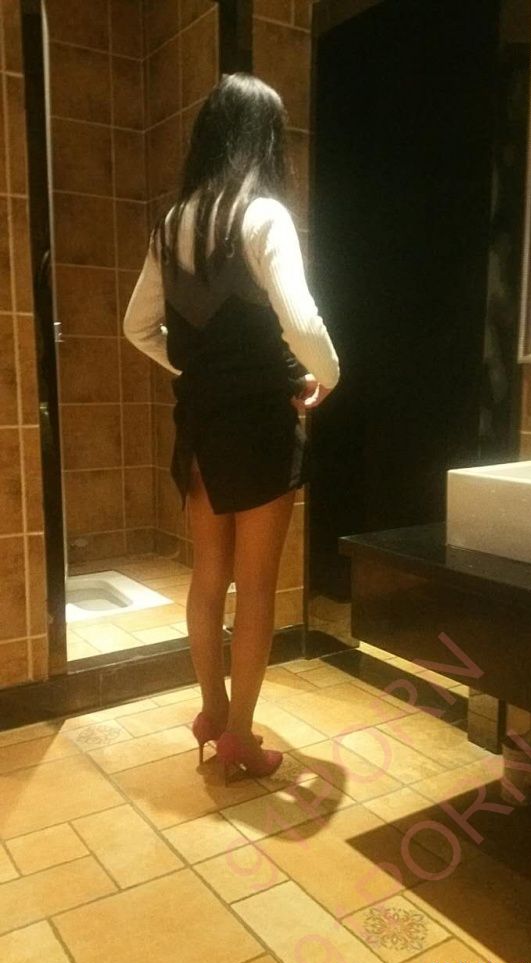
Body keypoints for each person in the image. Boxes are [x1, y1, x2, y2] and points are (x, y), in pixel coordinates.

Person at [123, 72, 340, 782]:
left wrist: (195, 371)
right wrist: (329, 375)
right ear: (264, 140)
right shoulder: (264, 216)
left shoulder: (170, 224)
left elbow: (136, 327)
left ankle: (212, 713)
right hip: (260, 425)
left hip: (201, 423)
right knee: (257, 587)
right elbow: (301, 322)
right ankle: (240, 737)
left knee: (208, 576)